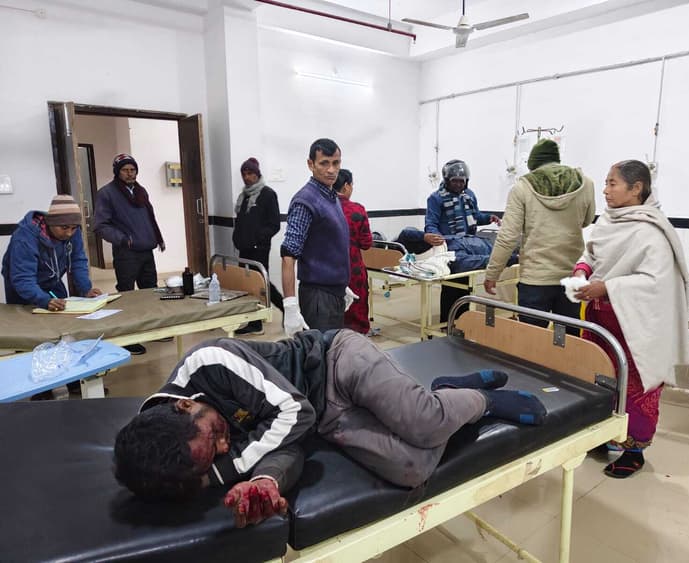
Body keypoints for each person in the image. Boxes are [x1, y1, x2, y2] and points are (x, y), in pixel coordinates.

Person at [113, 330, 548, 527]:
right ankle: (447, 393)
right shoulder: (186, 456)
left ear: (185, 405)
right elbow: (286, 447)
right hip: (323, 420)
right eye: (214, 455)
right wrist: (264, 481)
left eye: (216, 437)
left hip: (335, 361)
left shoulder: (210, 360)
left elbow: (294, 413)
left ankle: (482, 401)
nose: (225, 446)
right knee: (412, 468)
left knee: (425, 422)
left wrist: (225, 471)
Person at [572, 160, 689, 478]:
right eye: (606, 182)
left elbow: (654, 283)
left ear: (636, 188)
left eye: (612, 183)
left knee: (636, 387)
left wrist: (606, 286)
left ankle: (634, 450)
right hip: (600, 322)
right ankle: (603, 434)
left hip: (636, 326)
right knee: (600, 378)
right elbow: (592, 253)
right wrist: (582, 270)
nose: (605, 190)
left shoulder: (652, 231)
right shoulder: (608, 221)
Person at [484, 139, 595, 334]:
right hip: (571, 275)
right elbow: (587, 220)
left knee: (532, 341)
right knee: (568, 340)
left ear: (533, 164)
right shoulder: (585, 184)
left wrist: (492, 274)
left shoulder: (522, 188)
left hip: (535, 279)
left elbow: (508, 237)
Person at [2, 194, 102, 399]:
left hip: (52, 282)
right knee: (31, 336)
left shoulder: (72, 232)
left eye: (73, 228)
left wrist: (85, 289)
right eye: (64, 228)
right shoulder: (25, 237)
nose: (69, 233)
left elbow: (78, 260)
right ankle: (40, 389)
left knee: (66, 331)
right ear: (50, 223)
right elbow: (22, 279)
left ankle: (74, 380)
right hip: (22, 287)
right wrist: (43, 300)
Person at [93, 154, 165, 355]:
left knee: (150, 291)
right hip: (126, 252)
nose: (130, 173)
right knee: (127, 295)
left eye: (132, 169)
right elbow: (100, 225)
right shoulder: (107, 193)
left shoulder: (141, 191)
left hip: (146, 249)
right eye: (125, 170)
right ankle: (128, 338)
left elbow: (150, 218)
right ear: (117, 172)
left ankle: (153, 330)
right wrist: (124, 239)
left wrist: (156, 237)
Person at [280, 138, 352, 337]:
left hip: (333, 292)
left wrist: (340, 282)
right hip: (318, 297)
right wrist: (290, 305)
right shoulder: (305, 201)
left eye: (336, 163)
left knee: (333, 350)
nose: (331, 170)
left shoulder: (330, 196)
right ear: (310, 164)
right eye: (324, 163)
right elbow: (288, 255)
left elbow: (329, 245)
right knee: (320, 352)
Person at [425, 159, 500, 322]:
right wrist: (435, 237)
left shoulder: (469, 195)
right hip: (450, 248)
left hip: (469, 245)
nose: (459, 184)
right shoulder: (435, 198)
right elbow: (431, 223)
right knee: (451, 287)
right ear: (447, 180)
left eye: (462, 181)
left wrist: (489, 218)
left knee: (466, 286)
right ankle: (447, 323)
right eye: (455, 181)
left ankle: (463, 322)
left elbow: (475, 217)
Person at [231, 157, 284, 336]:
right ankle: (255, 320)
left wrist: (257, 238)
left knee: (260, 283)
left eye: (250, 173)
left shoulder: (268, 194)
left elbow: (274, 224)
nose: (247, 177)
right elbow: (241, 222)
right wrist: (237, 238)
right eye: (244, 174)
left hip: (259, 248)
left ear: (257, 174)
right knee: (248, 284)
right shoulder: (244, 196)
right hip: (244, 248)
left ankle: (278, 311)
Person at [333, 169, 373, 334]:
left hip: (328, 268)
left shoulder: (323, 207)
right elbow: (366, 243)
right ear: (346, 186)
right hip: (353, 267)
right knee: (356, 307)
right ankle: (357, 341)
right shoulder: (357, 210)